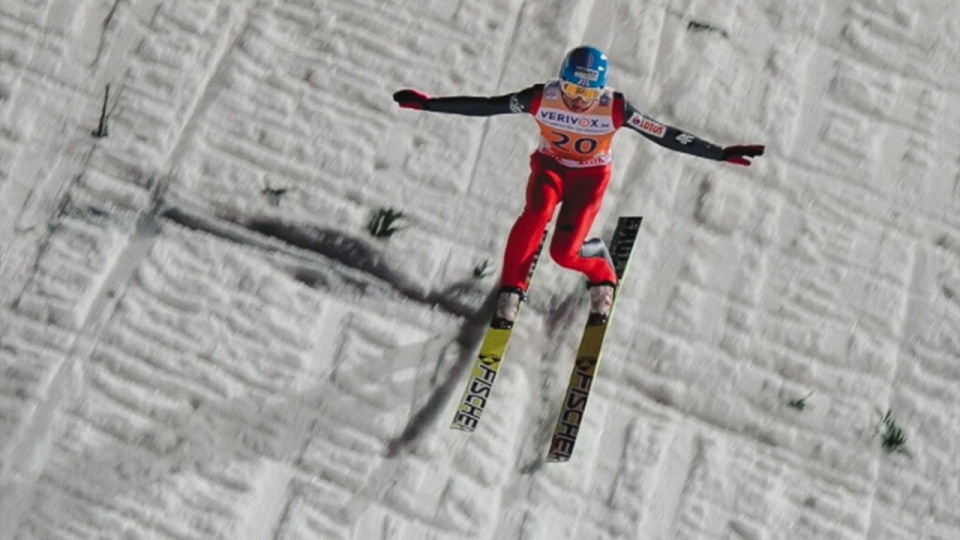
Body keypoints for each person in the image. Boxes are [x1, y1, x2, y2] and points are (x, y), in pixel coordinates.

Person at [393, 46, 764, 328]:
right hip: (551, 169)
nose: (577, 100)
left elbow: (664, 134)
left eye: (587, 93)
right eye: (571, 88)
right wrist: (430, 105)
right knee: (535, 214)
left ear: (601, 90)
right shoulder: (543, 97)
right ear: (561, 80)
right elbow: (488, 106)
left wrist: (718, 153)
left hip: (590, 179)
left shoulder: (615, 108)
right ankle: (512, 289)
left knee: (564, 253)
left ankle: (601, 271)